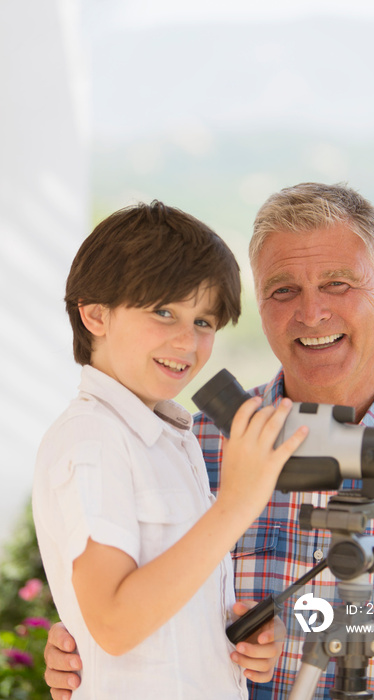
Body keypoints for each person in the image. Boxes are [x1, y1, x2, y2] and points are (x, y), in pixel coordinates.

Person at [43, 183, 374, 700]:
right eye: (283, 290)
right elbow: (119, 610)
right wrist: (88, 647)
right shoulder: (190, 446)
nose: (312, 314)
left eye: (337, 284)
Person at [32, 200, 309, 700]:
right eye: (164, 312)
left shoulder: (169, 437)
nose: (188, 341)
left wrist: (225, 637)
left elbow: (156, 615)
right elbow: (114, 624)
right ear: (95, 314)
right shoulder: (93, 438)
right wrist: (236, 506)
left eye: (205, 322)